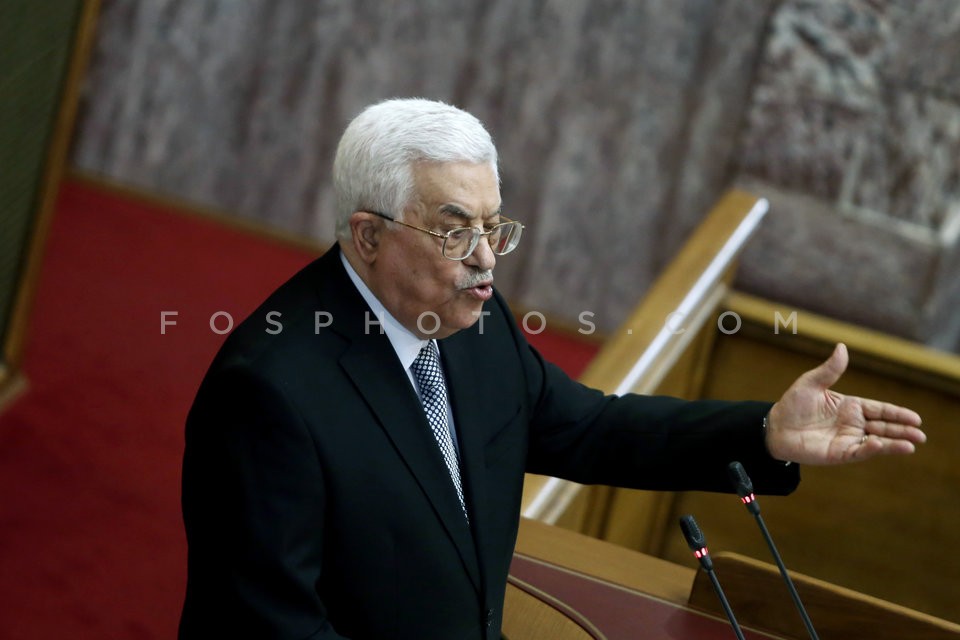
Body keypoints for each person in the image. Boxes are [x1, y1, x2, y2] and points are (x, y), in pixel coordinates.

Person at [178, 98, 926, 639]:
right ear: (368, 236)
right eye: (455, 231)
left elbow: (588, 429)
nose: (486, 258)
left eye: (493, 226)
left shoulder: (473, 322)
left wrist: (764, 433)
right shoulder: (269, 393)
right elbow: (269, 627)